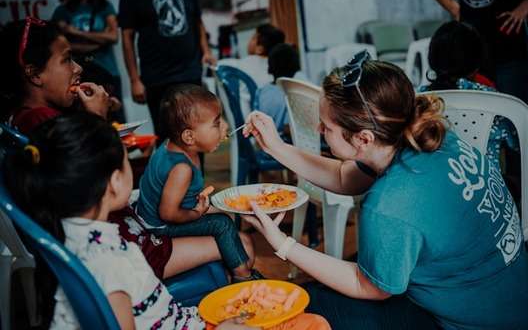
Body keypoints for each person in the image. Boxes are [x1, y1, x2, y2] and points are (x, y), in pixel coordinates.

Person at [242, 55, 528, 329]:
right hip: (523, 306)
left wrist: (282, 243)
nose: (320, 131)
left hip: (466, 322)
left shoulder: (390, 204)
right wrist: (277, 148)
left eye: (326, 127)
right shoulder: (429, 137)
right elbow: (342, 175)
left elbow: (370, 287)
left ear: (362, 138)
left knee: (308, 307)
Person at [4, 113, 329, 330]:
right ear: (115, 182)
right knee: (314, 324)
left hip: (181, 319)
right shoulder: (109, 266)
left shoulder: (71, 236)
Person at [0, 18, 250, 282]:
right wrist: (98, 120)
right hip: (120, 250)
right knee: (242, 244)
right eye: (66, 60)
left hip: (106, 234)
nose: (77, 69)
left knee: (222, 225)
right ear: (34, 74)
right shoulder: (42, 124)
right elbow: (104, 182)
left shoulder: (23, 119)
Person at [418, 20, 528, 252]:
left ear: (432, 59)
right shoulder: (494, 100)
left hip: (428, 206)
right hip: (488, 207)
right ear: (476, 63)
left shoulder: (416, 100)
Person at [137, 85, 260, 282]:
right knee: (222, 224)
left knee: (223, 215)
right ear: (189, 136)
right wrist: (195, 213)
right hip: (159, 226)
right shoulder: (181, 169)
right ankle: (242, 275)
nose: (225, 127)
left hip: (162, 215)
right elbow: (167, 213)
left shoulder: (177, 146)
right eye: (217, 123)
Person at [119, 0, 215, 140]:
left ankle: (195, 169)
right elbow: (127, 37)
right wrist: (134, 79)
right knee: (167, 137)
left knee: (196, 135)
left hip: (190, 73)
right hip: (157, 78)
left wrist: (206, 50)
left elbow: (197, 21)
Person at [51, 0, 124, 122]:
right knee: (86, 121)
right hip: (79, 73)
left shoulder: (104, 6)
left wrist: (74, 32)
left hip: (107, 70)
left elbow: (113, 37)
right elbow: (60, 46)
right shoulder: (62, 10)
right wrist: (98, 40)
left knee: (116, 116)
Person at [220, 24, 286, 117]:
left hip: (256, 118)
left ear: (260, 49)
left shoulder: (245, 63)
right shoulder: (280, 65)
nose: (249, 41)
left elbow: (222, 65)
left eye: (253, 38)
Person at [253, 43, 300, 134]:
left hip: (265, 142)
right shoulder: (292, 93)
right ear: (295, 67)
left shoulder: (261, 91)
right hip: (284, 144)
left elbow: (256, 120)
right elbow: (289, 129)